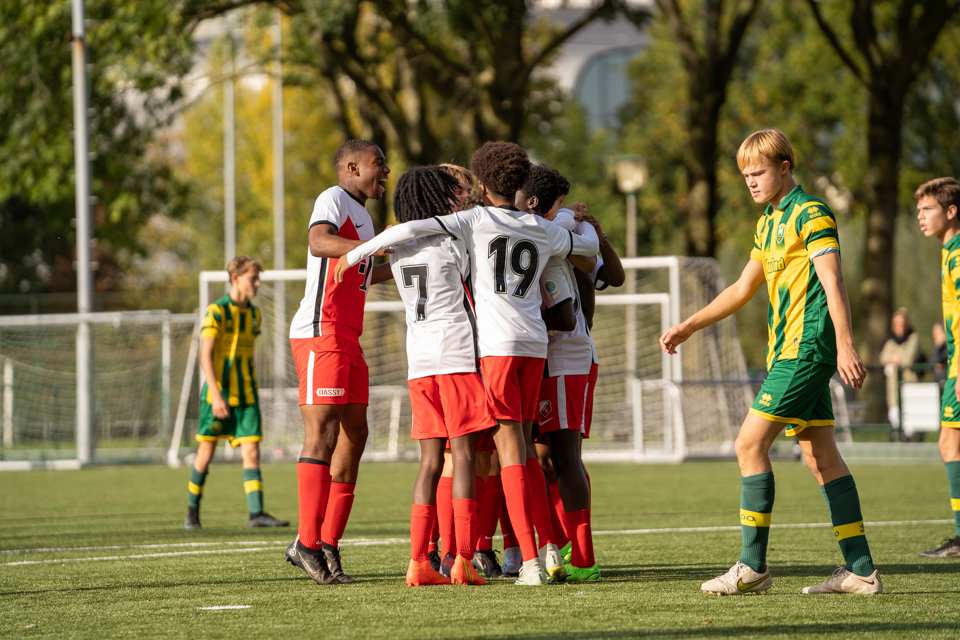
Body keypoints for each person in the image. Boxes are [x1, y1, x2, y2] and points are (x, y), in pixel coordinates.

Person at [335, 141, 599, 585]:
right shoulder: (541, 228)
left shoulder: (472, 221)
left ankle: (517, 560)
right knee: (523, 449)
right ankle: (540, 549)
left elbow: (403, 233)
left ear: (480, 184)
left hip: (478, 349)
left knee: (494, 452)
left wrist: (354, 254)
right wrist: (574, 219)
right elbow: (586, 245)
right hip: (533, 344)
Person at [660, 128, 881, 595]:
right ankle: (861, 570)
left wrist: (844, 344)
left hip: (806, 349)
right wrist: (689, 325)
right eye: (744, 175)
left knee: (748, 445)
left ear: (785, 168)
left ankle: (752, 567)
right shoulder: (768, 221)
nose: (751, 182)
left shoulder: (811, 212)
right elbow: (742, 289)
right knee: (820, 456)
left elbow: (834, 280)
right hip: (787, 351)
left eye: (758, 172)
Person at [285, 140, 394, 586]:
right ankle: (306, 543)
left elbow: (366, 269)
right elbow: (318, 243)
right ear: (352, 167)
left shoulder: (366, 217)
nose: (384, 171)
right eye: (377, 164)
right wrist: (376, 246)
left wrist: (409, 257)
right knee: (323, 433)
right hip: (320, 331)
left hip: (348, 335)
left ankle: (328, 542)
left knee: (356, 435)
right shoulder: (333, 198)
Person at [185, 256, 288, 530]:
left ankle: (257, 514)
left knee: (251, 451)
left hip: (247, 396)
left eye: (258, 278)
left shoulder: (254, 314)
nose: (257, 283)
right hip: (217, 396)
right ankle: (192, 512)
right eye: (252, 278)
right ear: (235, 279)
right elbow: (205, 356)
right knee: (206, 452)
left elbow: (249, 356)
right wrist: (217, 395)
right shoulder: (216, 311)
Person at [915, 176, 960, 559]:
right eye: (917, 211)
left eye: (927, 209)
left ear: (951, 211)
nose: (920, 217)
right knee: (950, 443)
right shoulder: (949, 252)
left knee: (951, 443)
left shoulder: (958, 254)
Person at [880, 307, 923, 428]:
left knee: (911, 421)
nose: (901, 327)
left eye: (903, 323)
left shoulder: (913, 338)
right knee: (895, 417)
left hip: (910, 386)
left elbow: (908, 358)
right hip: (893, 389)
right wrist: (896, 358)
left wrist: (893, 358)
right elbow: (883, 357)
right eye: (897, 324)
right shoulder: (890, 341)